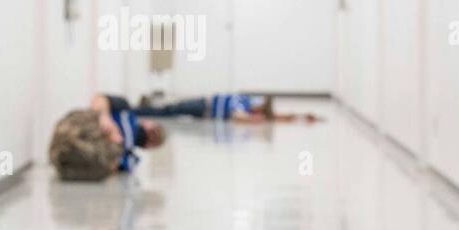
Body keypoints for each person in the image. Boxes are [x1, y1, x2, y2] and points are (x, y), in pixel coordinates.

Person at [90, 94, 166, 171]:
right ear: (147, 122)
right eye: (154, 132)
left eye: (154, 141)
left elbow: (109, 168)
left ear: (148, 147)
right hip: (87, 126)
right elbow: (100, 99)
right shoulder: (124, 108)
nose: (151, 137)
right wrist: (105, 118)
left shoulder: (129, 158)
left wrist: (114, 144)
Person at [136, 93, 322, 123]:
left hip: (203, 110)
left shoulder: (248, 109)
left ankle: (142, 110)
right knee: (169, 110)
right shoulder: (245, 103)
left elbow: (273, 117)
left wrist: (301, 116)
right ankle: (141, 109)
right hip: (204, 103)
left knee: (170, 112)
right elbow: (238, 116)